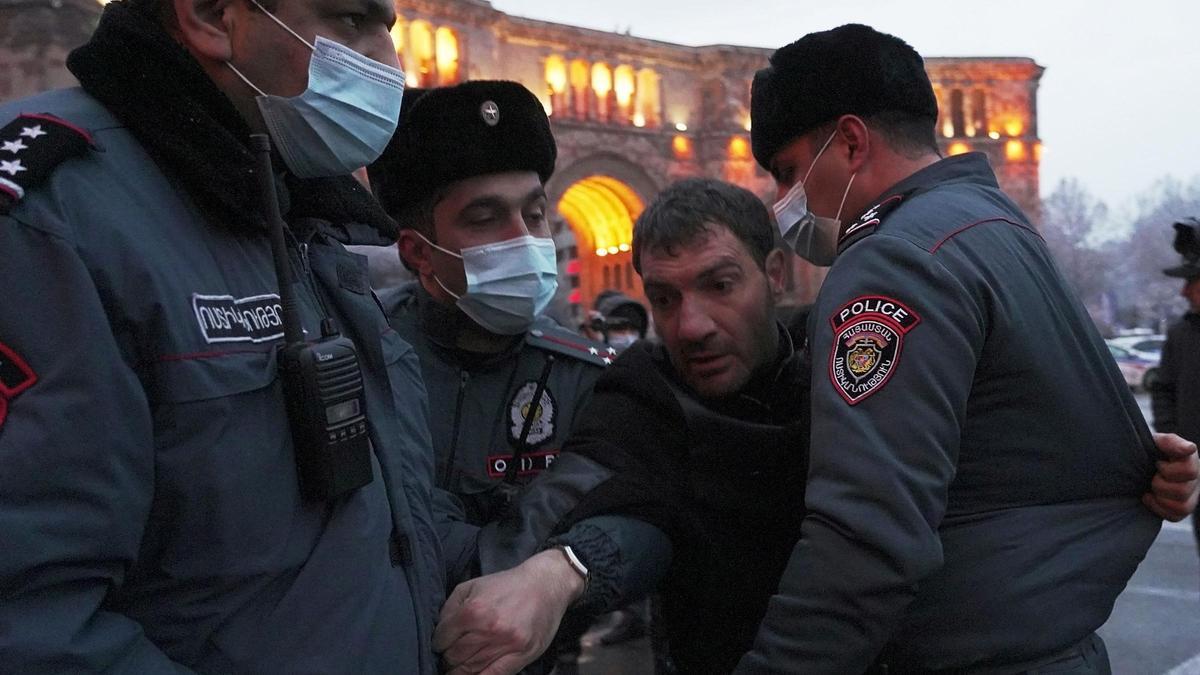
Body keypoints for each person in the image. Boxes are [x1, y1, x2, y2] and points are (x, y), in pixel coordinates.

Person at [429, 177, 1200, 675]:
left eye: (718, 284)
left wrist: (1141, 463)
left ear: (772, 274)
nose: (690, 324)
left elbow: (1004, 448)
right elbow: (610, 492)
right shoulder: (645, 390)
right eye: (664, 299)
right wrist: (549, 569)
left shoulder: (863, 366)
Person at [0, 0, 468, 670]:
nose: (386, 64)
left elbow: (365, 534)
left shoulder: (302, 212)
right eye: (350, 21)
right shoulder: (47, 214)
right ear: (213, 16)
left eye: (386, 29)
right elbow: (29, 622)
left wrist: (555, 566)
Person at [738, 23, 1187, 672]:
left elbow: (867, 535)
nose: (783, 203)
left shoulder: (891, 259)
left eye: (787, 174)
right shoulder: (998, 230)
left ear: (853, 142)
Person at [365, 80, 617, 667]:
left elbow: (623, 510)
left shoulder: (588, 374)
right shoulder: (363, 357)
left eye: (534, 214)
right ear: (419, 254)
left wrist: (561, 572)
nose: (525, 241)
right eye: (485, 218)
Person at [1153, 217, 1200, 561]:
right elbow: (1163, 390)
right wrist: (1178, 440)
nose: (1184, 291)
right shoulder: (1181, 335)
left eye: (1193, 281)